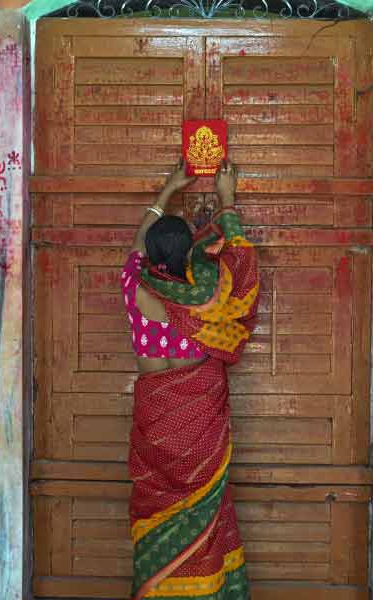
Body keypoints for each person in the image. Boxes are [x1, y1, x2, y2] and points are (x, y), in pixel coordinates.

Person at [121, 159, 257, 599]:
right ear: (191, 255)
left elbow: (137, 246)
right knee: (205, 519)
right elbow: (242, 269)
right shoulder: (209, 304)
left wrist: (166, 190)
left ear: (152, 257)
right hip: (200, 440)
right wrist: (226, 199)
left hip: (155, 435)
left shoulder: (134, 289)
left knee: (156, 521)